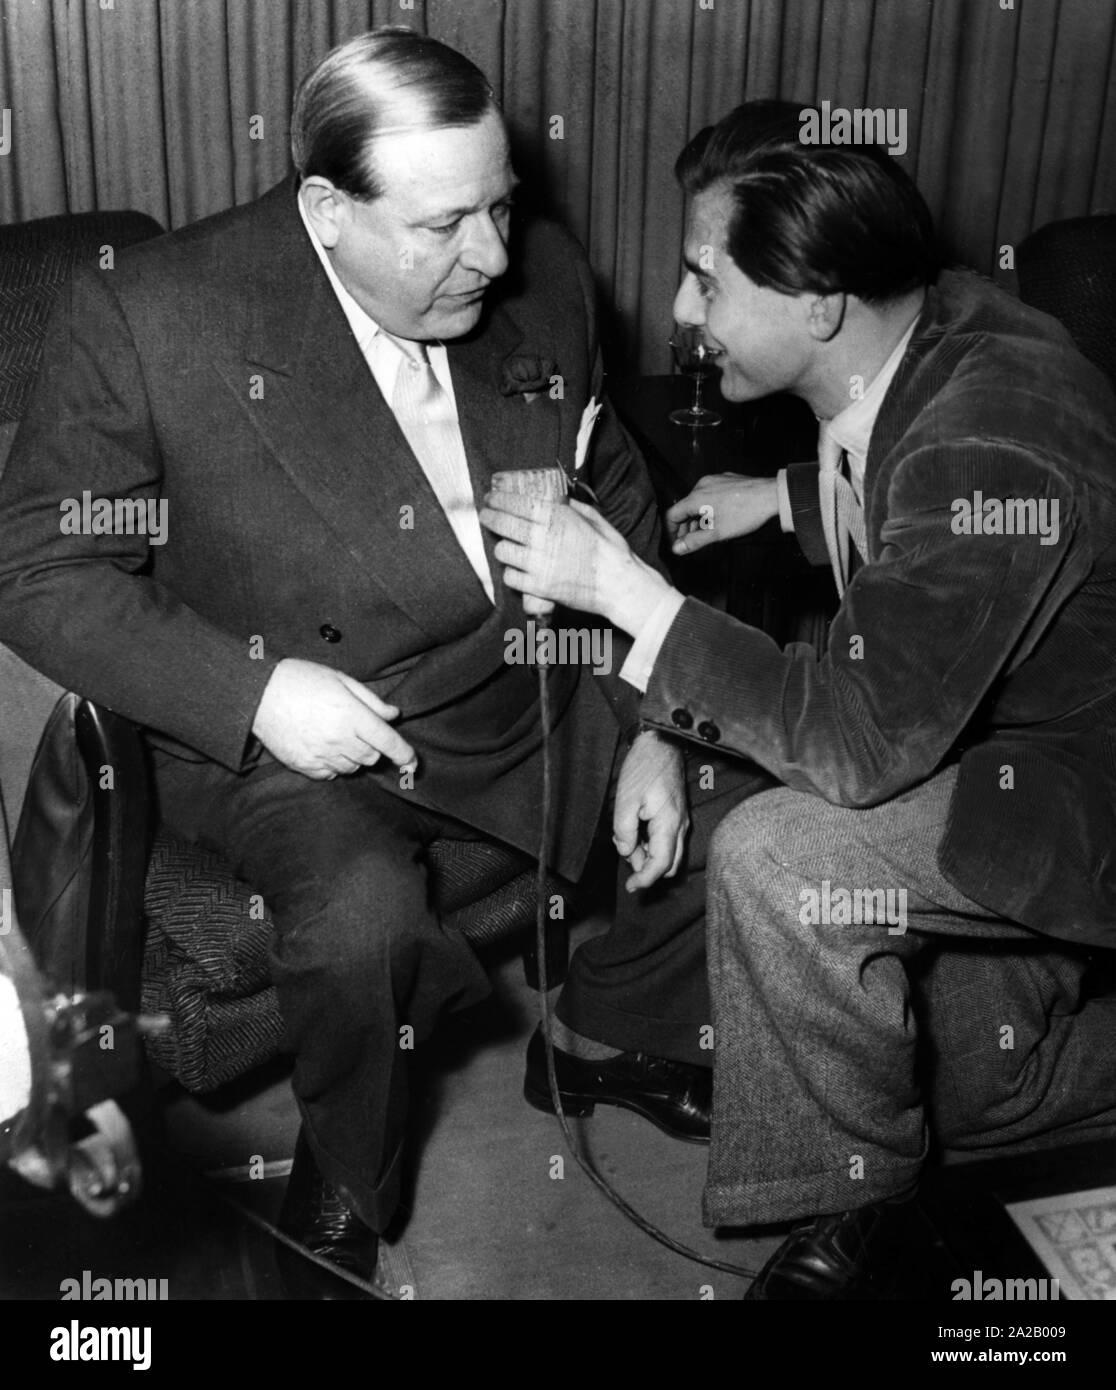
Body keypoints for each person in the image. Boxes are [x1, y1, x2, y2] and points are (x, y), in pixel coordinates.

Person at [0, 32, 765, 1295]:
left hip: (521, 672)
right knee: (361, 918)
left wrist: (654, 726)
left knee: (761, 793)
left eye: (505, 204)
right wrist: (254, 697)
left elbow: (616, 491)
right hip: (287, 728)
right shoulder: (153, 316)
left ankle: (605, 1033)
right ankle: (348, 1174)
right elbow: (33, 566)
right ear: (324, 211)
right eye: (446, 223)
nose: (496, 256)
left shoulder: (540, 276)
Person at [482, 100, 1116, 1300]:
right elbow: (925, 511)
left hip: (1076, 787)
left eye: (704, 281)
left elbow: (864, 743)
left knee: (782, 857)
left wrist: (623, 592)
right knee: (978, 1094)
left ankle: (849, 1229)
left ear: (820, 303)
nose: (679, 312)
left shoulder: (992, 433)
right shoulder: (929, 330)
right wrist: (779, 496)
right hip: (1006, 743)